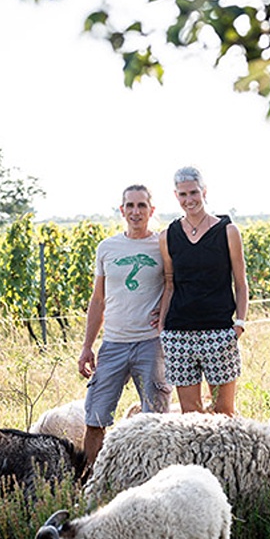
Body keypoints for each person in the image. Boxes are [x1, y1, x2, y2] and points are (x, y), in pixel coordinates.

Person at [79, 184, 173, 467]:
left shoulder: (161, 245)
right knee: (95, 417)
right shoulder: (107, 248)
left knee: (155, 420)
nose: (135, 211)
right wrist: (87, 346)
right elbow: (98, 300)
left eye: (141, 205)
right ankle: (90, 478)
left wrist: (164, 312)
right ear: (122, 210)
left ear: (151, 210)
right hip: (113, 344)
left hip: (151, 344)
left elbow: (172, 285)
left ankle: (153, 477)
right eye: (130, 205)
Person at [158, 166, 249, 415]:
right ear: (176, 196)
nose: (189, 199)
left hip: (219, 332)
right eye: (183, 194)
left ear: (204, 191)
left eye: (194, 192)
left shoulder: (228, 231)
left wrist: (239, 323)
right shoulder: (168, 236)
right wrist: (163, 327)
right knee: (191, 414)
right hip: (179, 335)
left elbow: (241, 282)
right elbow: (169, 283)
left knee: (224, 411)